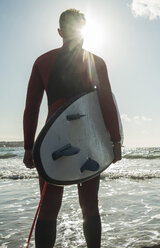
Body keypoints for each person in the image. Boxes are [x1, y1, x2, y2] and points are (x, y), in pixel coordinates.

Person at [23, 9, 122, 248]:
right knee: (89, 204)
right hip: (88, 140)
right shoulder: (96, 62)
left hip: (53, 140)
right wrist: (115, 141)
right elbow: (106, 101)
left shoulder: (42, 61)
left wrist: (29, 148)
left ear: (60, 31)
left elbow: (31, 108)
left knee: (48, 207)